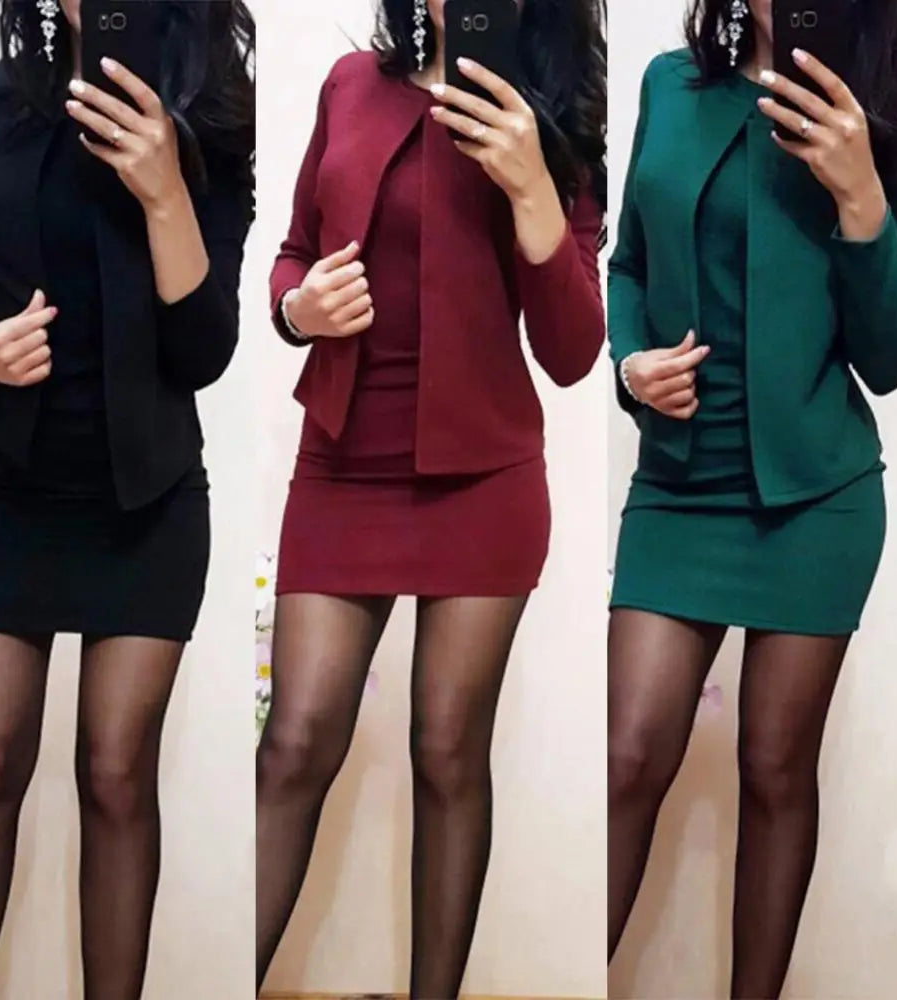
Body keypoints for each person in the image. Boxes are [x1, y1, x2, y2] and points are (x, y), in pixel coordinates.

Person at [255, 0, 606, 995]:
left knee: (448, 752)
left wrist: (532, 186)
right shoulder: (349, 86)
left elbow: (573, 351)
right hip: (342, 464)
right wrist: (297, 309)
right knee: (295, 742)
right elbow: (291, 251)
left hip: (485, 476)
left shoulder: (557, 118)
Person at [0, 2, 254, 997]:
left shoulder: (213, 113)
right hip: (4, 486)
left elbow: (204, 349)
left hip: (145, 497)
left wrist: (165, 191)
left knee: (115, 773)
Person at [607, 1, 897, 995]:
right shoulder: (669, 86)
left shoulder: (889, 123)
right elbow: (627, 267)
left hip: (818, 498)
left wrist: (862, 198)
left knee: (776, 768)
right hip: (677, 487)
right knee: (626, 757)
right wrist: (630, 366)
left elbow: (891, 358)